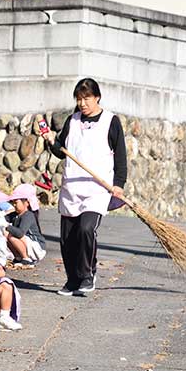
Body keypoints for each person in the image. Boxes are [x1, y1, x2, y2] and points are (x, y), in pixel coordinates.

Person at [45, 78, 127, 296]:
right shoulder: (72, 121)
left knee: (86, 229)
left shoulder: (110, 121)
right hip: (72, 187)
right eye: (79, 99)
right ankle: (72, 280)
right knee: (68, 238)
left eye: (87, 98)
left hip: (97, 189)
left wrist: (119, 184)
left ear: (97, 97)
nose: (82, 103)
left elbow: (120, 156)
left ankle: (87, 275)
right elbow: (61, 151)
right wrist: (51, 141)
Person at [4, 184, 47, 266]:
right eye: (13, 203)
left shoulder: (28, 215)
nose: (14, 205)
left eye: (16, 202)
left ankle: (26, 258)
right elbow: (4, 218)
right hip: (28, 244)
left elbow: (20, 233)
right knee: (6, 234)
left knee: (11, 236)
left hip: (37, 248)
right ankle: (18, 257)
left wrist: (6, 226)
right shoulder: (16, 214)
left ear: (27, 202)